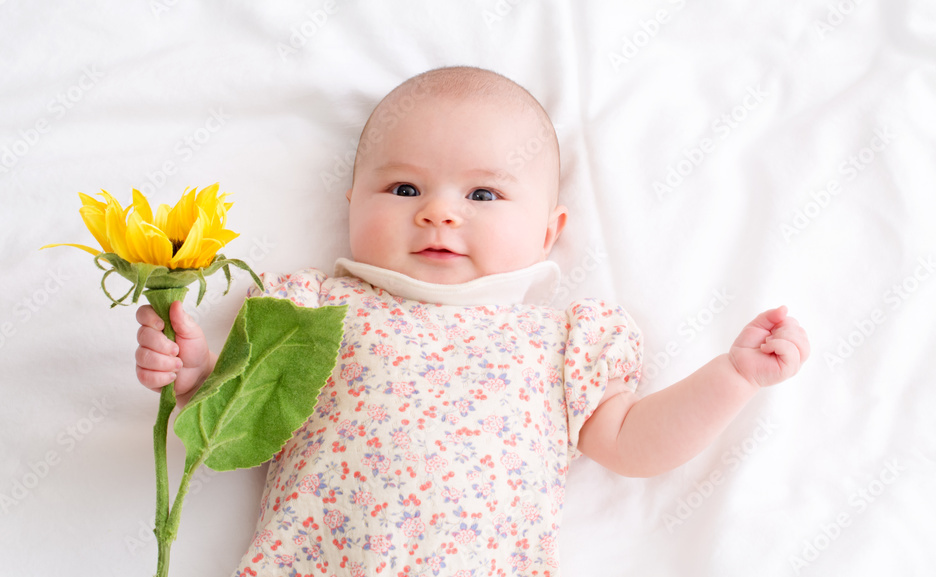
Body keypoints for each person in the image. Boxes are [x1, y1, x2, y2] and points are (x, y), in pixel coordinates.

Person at [134, 66, 810, 576]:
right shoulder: (313, 310)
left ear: (549, 231)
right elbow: (241, 419)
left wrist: (732, 377)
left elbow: (631, 441)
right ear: (351, 204)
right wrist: (194, 375)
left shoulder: (560, 343)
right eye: (404, 188)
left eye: (483, 193)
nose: (439, 212)